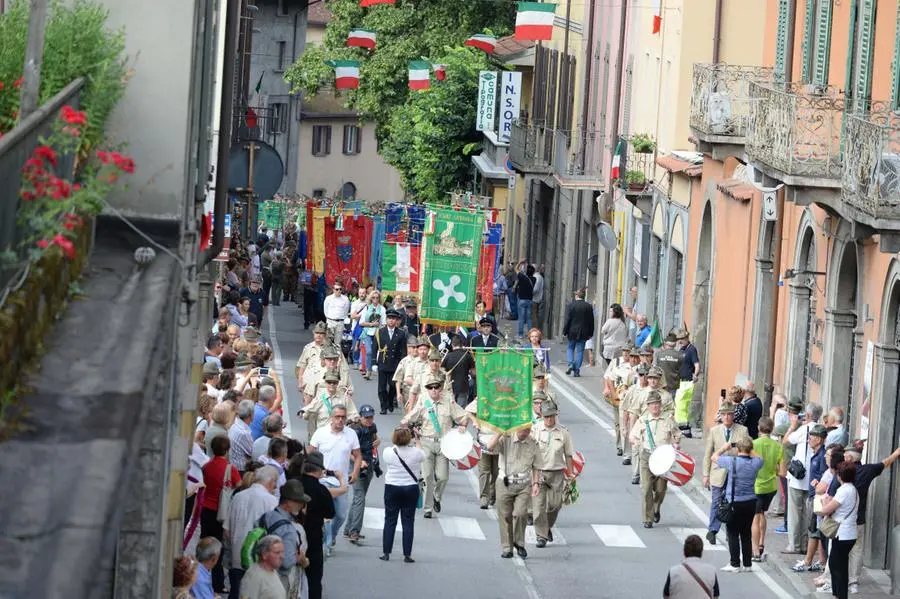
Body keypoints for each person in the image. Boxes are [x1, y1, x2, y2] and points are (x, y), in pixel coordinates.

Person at [401, 373, 470, 518]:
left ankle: (437, 497)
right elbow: (411, 417)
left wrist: (463, 425)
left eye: (436, 387)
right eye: (430, 387)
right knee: (426, 476)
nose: (433, 390)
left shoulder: (448, 403)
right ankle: (428, 508)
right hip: (426, 442)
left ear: (440, 388)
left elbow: (463, 415)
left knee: (443, 477)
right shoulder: (423, 402)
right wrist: (406, 423)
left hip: (443, 444)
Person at [308, 404, 361, 556]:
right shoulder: (320, 432)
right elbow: (309, 453)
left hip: (341, 481)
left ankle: (332, 536)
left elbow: (357, 455)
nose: (340, 420)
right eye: (337, 417)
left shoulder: (351, 434)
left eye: (343, 417)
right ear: (331, 417)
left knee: (341, 515)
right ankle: (326, 542)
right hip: (323, 480)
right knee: (323, 515)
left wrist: (355, 472)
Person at [225, 465, 280, 598]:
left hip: (236, 557)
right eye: (275, 484)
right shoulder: (271, 501)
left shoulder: (238, 497)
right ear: (271, 482)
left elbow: (226, 531)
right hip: (257, 562)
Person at [629, 391, 681, 528]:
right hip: (647, 456)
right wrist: (636, 442)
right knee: (646, 488)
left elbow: (676, 434)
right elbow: (632, 436)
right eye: (652, 404)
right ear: (648, 406)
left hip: (663, 458)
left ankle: (656, 507)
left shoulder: (668, 419)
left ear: (660, 405)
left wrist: (676, 444)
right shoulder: (643, 420)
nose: (655, 407)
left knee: (660, 489)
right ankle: (647, 518)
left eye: (657, 404)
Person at [712, 438, 764, 572]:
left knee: (733, 533)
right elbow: (759, 456)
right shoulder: (756, 463)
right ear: (750, 449)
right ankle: (747, 564)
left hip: (734, 502)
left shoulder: (731, 461)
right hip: (751, 502)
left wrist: (726, 447)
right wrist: (749, 448)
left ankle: (735, 564)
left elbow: (714, 457)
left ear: (738, 449)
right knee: (746, 533)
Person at [489, 426, 540, 559]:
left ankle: (519, 543)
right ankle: (507, 548)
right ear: (517, 428)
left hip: (523, 484)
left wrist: (535, 483)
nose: (526, 433)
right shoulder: (506, 438)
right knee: (505, 516)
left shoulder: (533, 443)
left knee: (520, 513)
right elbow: (489, 447)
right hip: (504, 482)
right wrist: (499, 432)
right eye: (524, 430)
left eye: (528, 430)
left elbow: (537, 466)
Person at [702, 402, 749, 545]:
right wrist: (706, 474)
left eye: (729, 414)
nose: (727, 417)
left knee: (733, 502)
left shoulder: (742, 430)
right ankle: (713, 530)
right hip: (718, 471)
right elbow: (708, 453)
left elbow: (747, 448)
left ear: (733, 415)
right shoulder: (714, 431)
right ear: (720, 416)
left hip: (736, 471)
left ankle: (731, 531)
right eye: (724, 414)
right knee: (716, 501)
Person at [200, 435, 241, 592]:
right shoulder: (230, 468)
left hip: (206, 509)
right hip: (221, 512)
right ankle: (217, 584)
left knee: (204, 544)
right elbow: (239, 484)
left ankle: (200, 576)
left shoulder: (207, 466)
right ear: (227, 450)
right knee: (218, 548)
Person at [532, 399, 574, 546]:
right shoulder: (535, 430)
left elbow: (569, 455)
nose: (549, 419)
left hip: (557, 473)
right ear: (542, 416)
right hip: (539, 473)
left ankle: (547, 527)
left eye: (552, 416)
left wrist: (571, 474)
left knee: (555, 506)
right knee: (538, 508)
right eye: (546, 416)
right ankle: (541, 536)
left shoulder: (563, 433)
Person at [783, 402, 823, 555]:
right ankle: (806, 544)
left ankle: (794, 545)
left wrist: (792, 426)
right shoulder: (821, 430)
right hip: (814, 480)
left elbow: (786, 442)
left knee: (795, 513)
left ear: (807, 415)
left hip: (798, 477)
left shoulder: (804, 429)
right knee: (808, 513)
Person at [258, 480, 311, 597]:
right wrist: (300, 559)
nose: (302, 506)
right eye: (300, 502)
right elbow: (286, 562)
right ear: (289, 504)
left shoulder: (267, 516)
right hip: (279, 580)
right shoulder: (288, 529)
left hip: (261, 573)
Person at [380, 426, 425, 562]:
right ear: (409, 438)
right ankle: (407, 554)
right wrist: (417, 439)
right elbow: (423, 454)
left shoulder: (388, 452)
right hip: (410, 488)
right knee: (408, 521)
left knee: (390, 520)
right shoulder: (416, 453)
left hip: (392, 487)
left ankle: (386, 552)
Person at [818, 461, 859, 599]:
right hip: (849, 533)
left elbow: (825, 510)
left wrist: (825, 501)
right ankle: (838, 595)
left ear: (839, 475)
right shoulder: (853, 489)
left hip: (842, 534)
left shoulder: (844, 490)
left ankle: (840, 595)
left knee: (837, 567)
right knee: (839, 565)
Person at [344, 404, 380, 543]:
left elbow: (374, 439)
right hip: (356, 465)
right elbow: (348, 451)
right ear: (360, 417)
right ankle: (354, 531)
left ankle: (348, 529)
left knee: (360, 497)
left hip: (368, 464)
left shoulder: (373, 427)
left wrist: (377, 441)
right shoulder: (355, 431)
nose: (369, 420)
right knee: (360, 497)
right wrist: (359, 463)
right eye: (366, 417)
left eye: (371, 417)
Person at [751, 417, 782, 562]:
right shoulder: (777, 446)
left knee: (755, 517)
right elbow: (782, 472)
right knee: (762, 513)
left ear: (759, 428)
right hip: (771, 486)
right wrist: (772, 471)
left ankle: (755, 550)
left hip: (757, 485)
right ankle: (762, 542)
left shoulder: (754, 444)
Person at [375, 309, 408, 414]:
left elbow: (403, 350)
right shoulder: (380, 332)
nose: (391, 321)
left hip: (395, 364)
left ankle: (390, 401)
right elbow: (375, 347)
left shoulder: (401, 333)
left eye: (394, 319)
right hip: (383, 362)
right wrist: (372, 363)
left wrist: (403, 364)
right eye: (389, 318)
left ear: (397, 321)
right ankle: (383, 407)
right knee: (382, 387)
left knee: (393, 385)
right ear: (386, 319)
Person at [239, 535, 287, 599]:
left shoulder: (273, 571)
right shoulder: (253, 576)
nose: (282, 557)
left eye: (282, 552)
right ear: (264, 555)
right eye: (277, 553)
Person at [562, 288, 595, 377]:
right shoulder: (588, 306)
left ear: (576, 296)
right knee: (580, 351)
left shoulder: (571, 305)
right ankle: (576, 370)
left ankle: (570, 364)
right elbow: (591, 321)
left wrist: (564, 331)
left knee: (570, 348)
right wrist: (590, 333)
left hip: (572, 331)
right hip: (584, 332)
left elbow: (568, 319)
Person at [674, 329, 701, 437]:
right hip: (680, 381)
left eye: (681, 339)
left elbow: (697, 364)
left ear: (686, 338)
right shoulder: (681, 349)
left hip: (687, 381)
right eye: (678, 339)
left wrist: (695, 374)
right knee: (681, 404)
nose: (680, 341)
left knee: (681, 403)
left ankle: (683, 427)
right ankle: (684, 427)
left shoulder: (691, 349)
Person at [358, 290, 386, 379]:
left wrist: (379, 326)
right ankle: (368, 371)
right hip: (367, 333)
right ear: (370, 298)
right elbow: (361, 323)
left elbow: (384, 323)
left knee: (378, 352)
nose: (375, 299)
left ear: (379, 299)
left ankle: (380, 370)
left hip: (377, 333)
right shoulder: (366, 308)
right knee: (369, 351)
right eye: (373, 297)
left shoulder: (382, 309)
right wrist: (371, 324)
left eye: (377, 298)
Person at [442, 334, 475, 407]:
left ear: (452, 344)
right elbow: (474, 372)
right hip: (463, 386)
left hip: (450, 387)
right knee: (460, 410)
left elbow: (442, 370)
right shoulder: (467, 355)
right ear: (461, 344)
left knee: (451, 408)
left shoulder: (448, 356)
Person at [600, 303, 628, 367]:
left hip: (609, 348)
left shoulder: (610, 321)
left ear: (615, 312)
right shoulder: (623, 323)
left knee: (611, 367)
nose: (609, 313)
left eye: (610, 311)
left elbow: (603, 330)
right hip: (620, 349)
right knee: (616, 366)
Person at [515, 263, 536, 338]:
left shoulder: (522, 277)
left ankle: (520, 334)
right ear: (533, 272)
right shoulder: (534, 279)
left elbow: (516, 269)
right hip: (529, 300)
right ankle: (530, 334)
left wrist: (520, 262)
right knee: (529, 319)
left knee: (521, 318)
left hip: (522, 300)